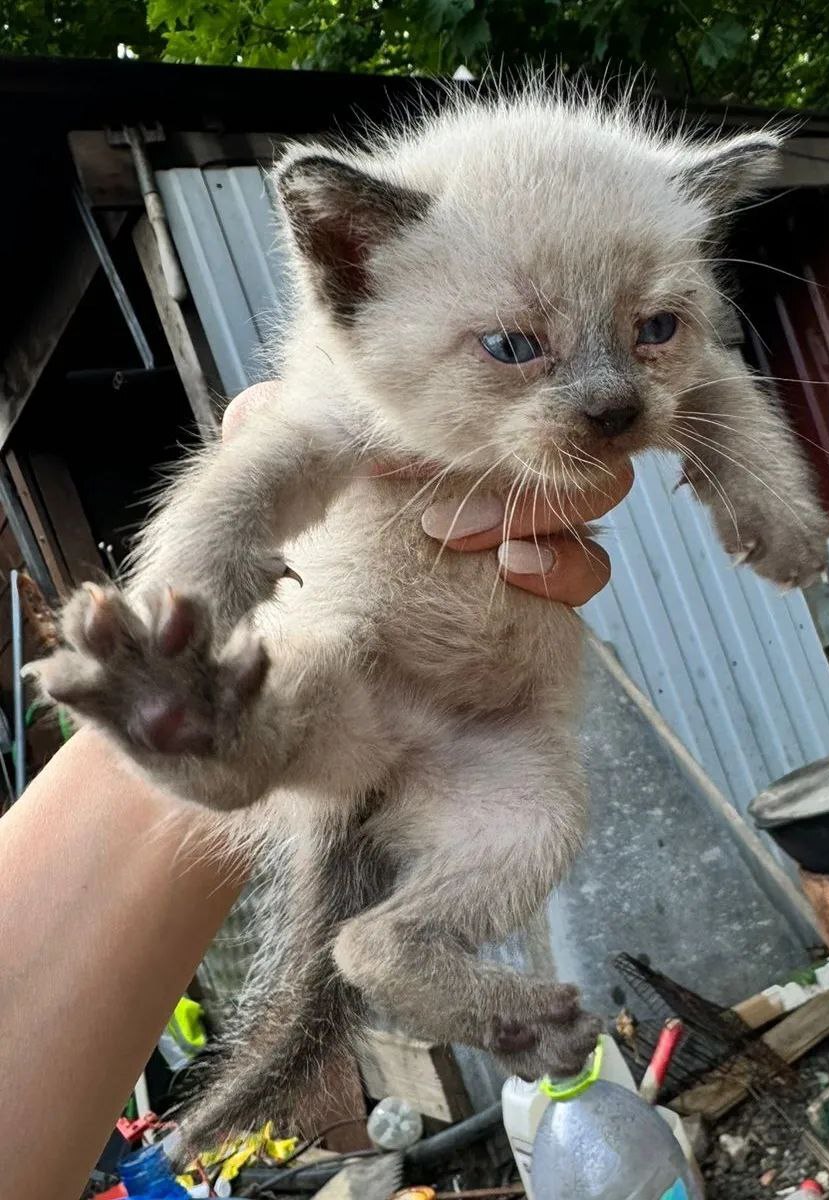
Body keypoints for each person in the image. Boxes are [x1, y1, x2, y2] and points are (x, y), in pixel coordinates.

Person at [0, 382, 630, 1196]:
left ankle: (212, 725)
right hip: (346, 658)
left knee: (534, 810)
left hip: (446, 711)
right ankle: (216, 732)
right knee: (316, 666)